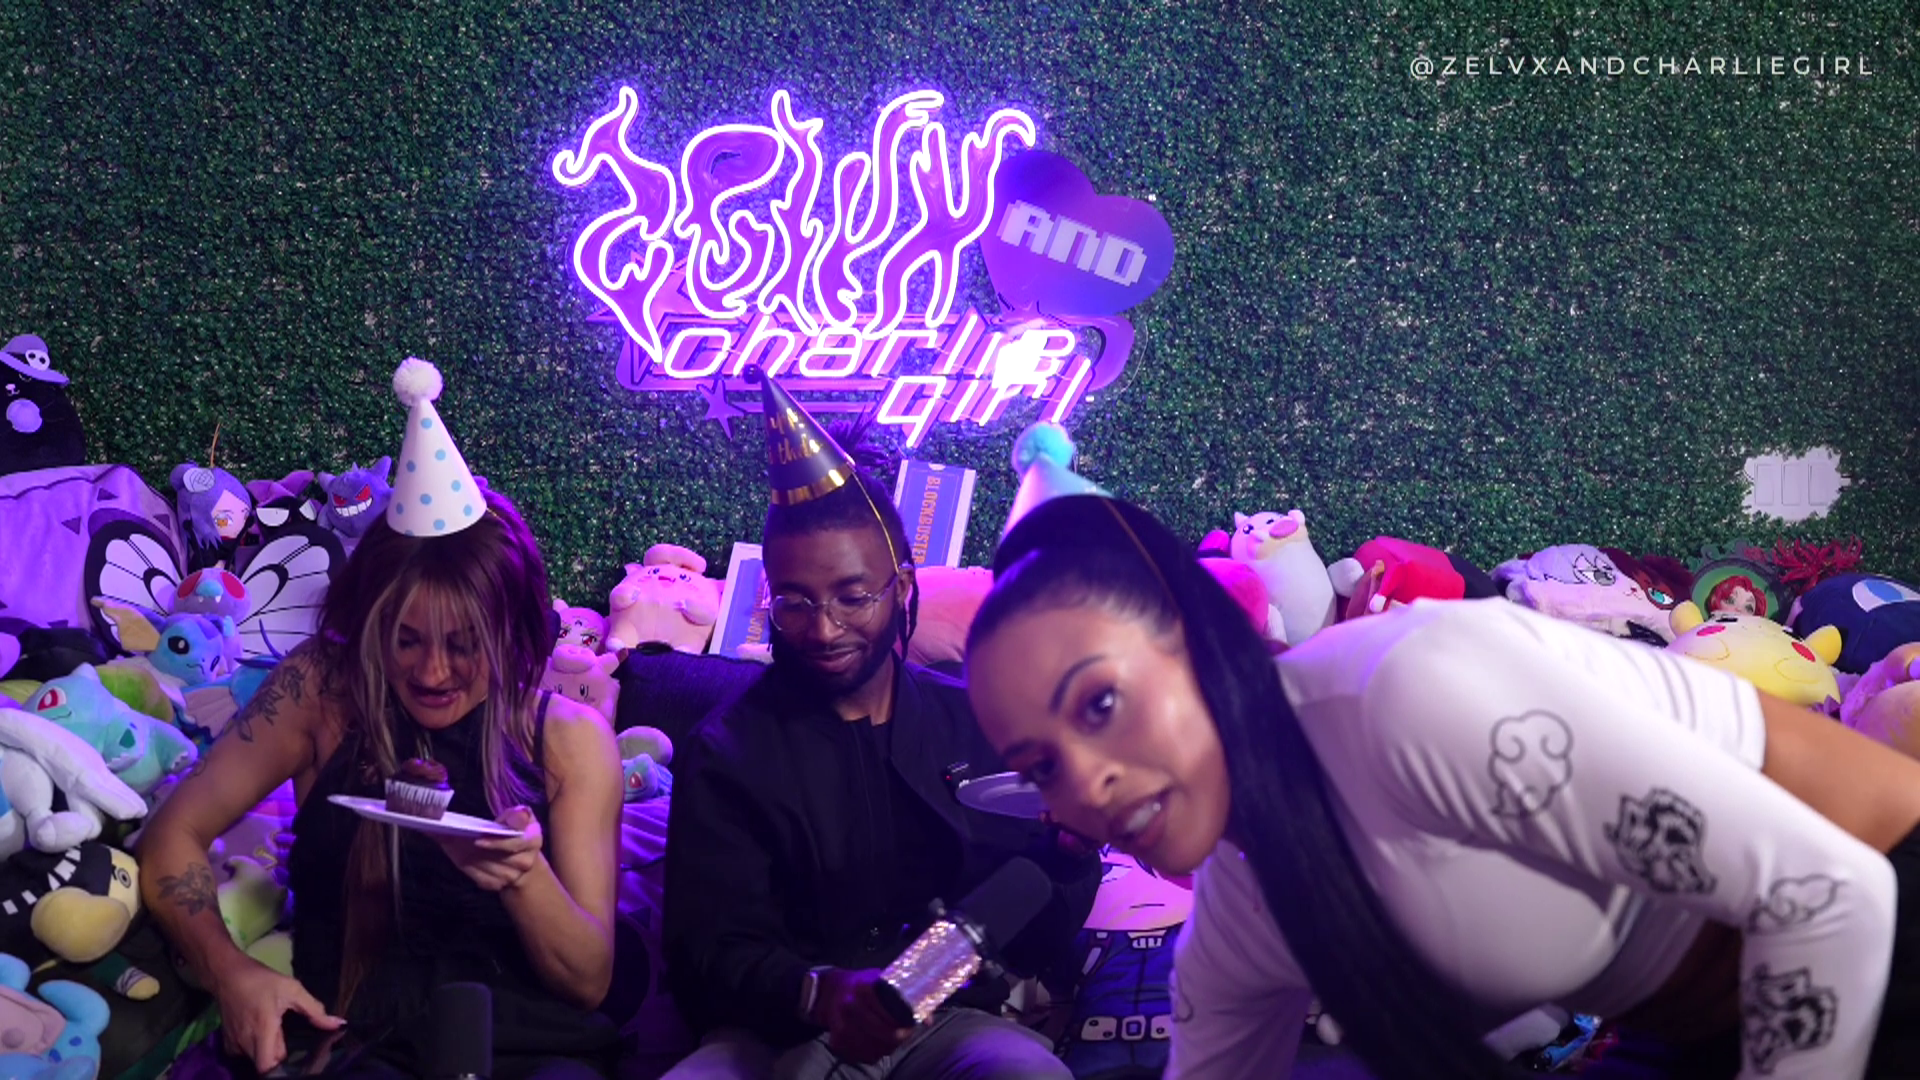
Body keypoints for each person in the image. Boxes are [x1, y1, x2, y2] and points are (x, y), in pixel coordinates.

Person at [962, 486, 1920, 1080]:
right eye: (1041, 765)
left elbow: (1825, 893)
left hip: (1880, 923)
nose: (1086, 783)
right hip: (1705, 1029)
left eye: (1099, 704)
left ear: (1198, 639)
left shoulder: (1408, 698)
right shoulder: (1245, 916)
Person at [138, 359, 625, 1079]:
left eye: (465, 646)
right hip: (358, 1046)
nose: (432, 672)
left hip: (531, 1053)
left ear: (514, 634)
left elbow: (588, 982)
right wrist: (232, 972)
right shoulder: (319, 687)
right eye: (405, 638)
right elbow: (171, 837)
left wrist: (523, 876)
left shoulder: (570, 741)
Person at [660, 375, 1098, 1080]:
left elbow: (1032, 936)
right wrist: (817, 992)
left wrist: (1072, 856)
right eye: (795, 602)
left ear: (902, 584)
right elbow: (706, 953)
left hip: (948, 1023)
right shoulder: (727, 751)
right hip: (778, 1033)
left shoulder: (979, 723)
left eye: (853, 597)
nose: (824, 628)